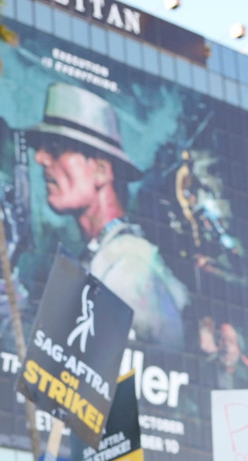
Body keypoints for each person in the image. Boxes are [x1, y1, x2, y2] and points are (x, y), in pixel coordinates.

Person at [26, 83, 186, 346]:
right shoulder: (105, 254)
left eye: (55, 147)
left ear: (101, 170)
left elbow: (160, 366)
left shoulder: (127, 267)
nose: (40, 158)